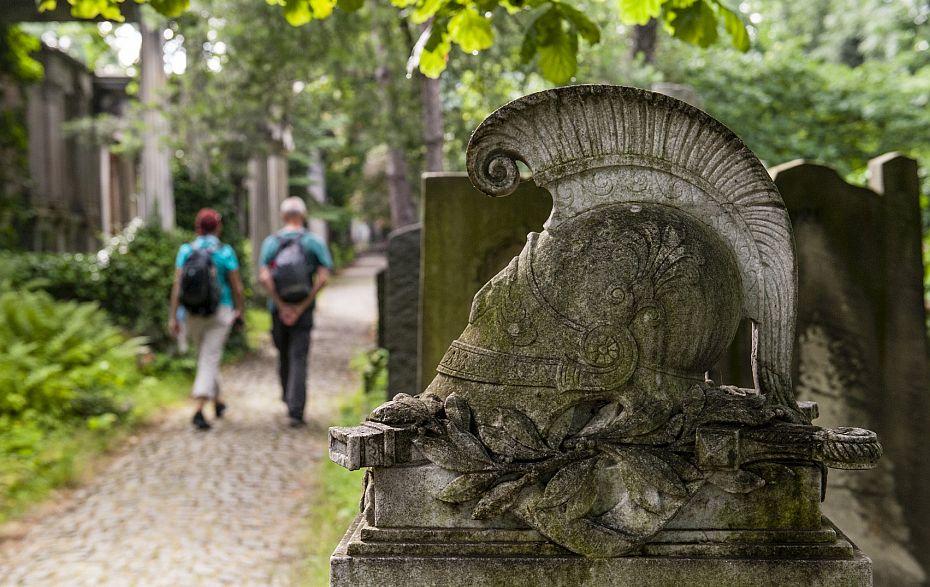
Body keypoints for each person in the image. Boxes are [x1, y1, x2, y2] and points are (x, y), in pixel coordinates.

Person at [258, 197, 333, 427]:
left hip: (277, 311)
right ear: (303, 215)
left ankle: (287, 396)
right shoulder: (312, 242)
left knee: (283, 354)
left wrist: (280, 305)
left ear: (283, 217)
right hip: (304, 310)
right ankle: (296, 410)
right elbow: (323, 277)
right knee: (298, 356)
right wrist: (302, 305)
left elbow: (264, 277)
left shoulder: (271, 243)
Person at [169, 208, 245, 431]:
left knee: (207, 356)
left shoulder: (185, 250)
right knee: (209, 357)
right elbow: (236, 286)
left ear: (198, 227)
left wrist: (173, 316)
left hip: (191, 313)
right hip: (220, 311)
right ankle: (200, 408)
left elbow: (177, 286)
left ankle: (218, 402)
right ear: (218, 227)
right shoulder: (224, 251)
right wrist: (240, 310)